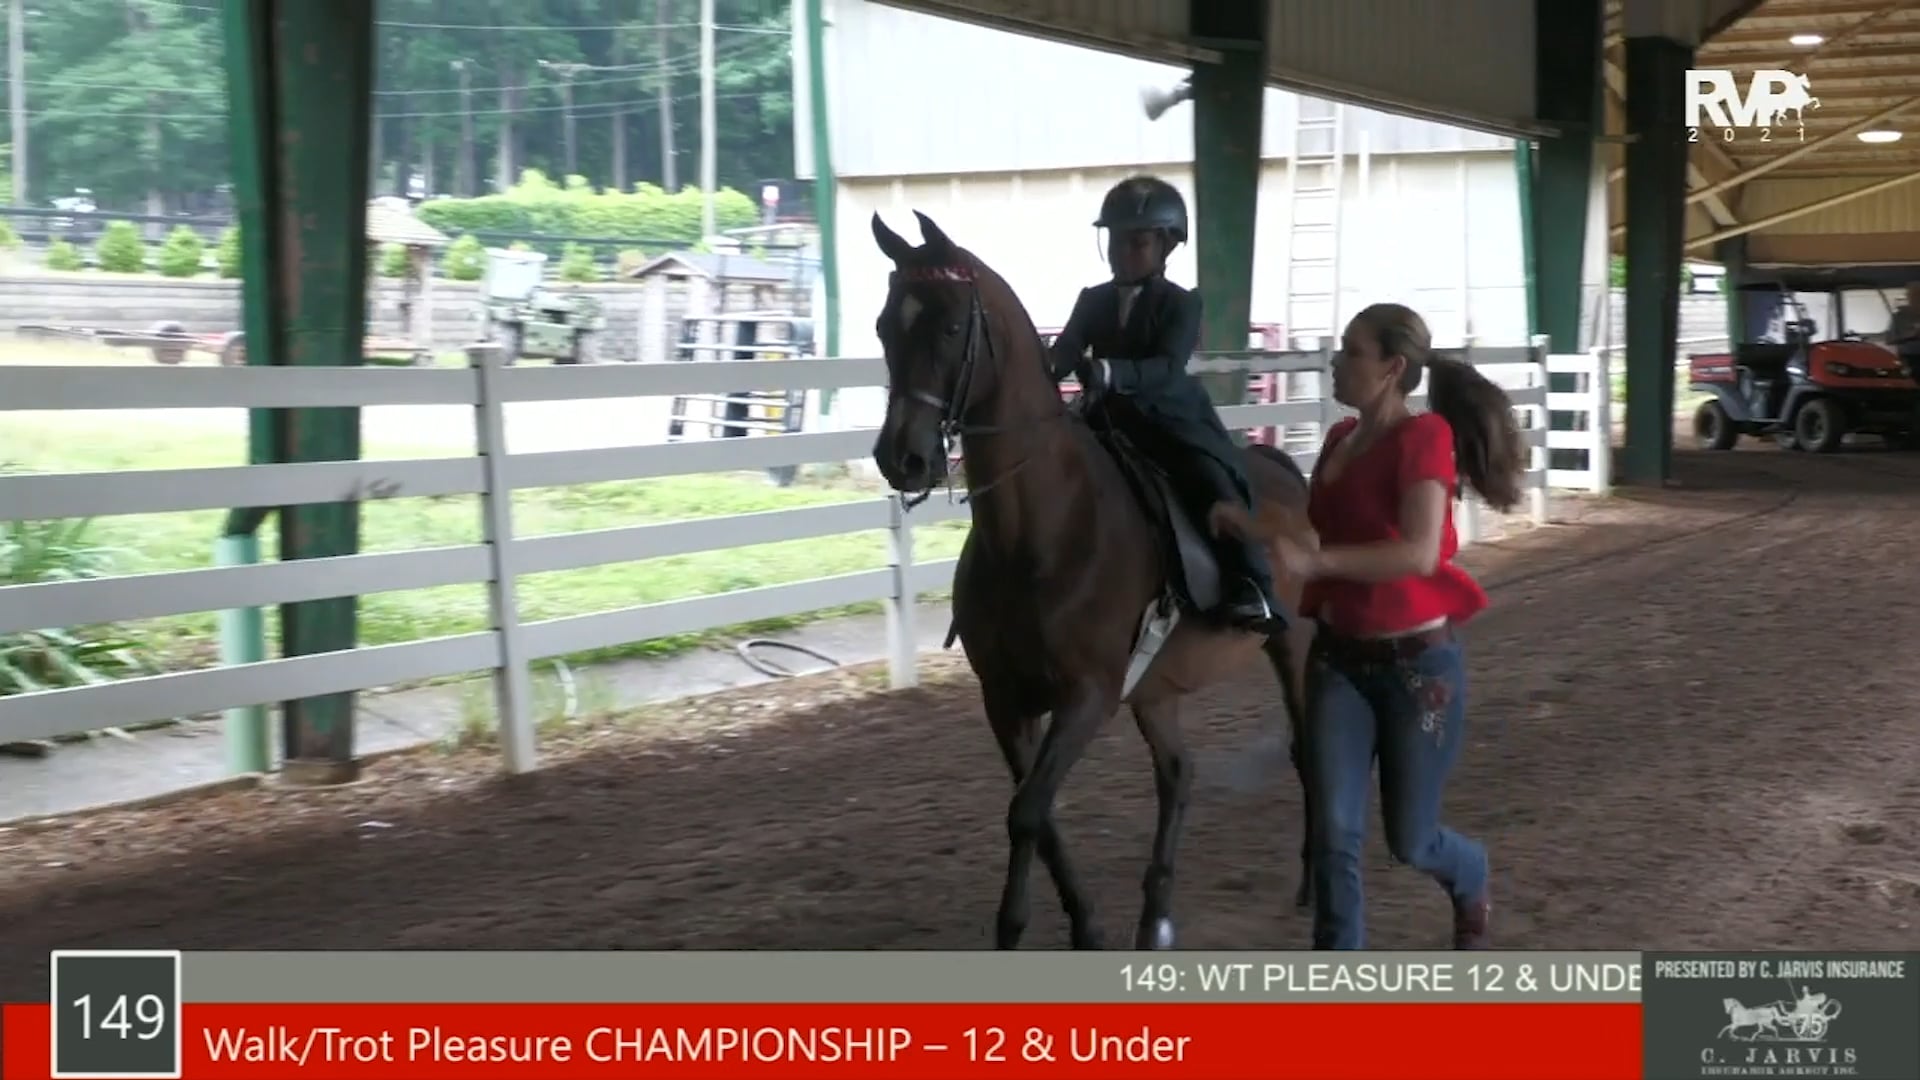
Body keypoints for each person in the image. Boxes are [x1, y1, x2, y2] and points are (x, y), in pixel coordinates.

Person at [1274, 302, 1527, 951]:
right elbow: (1317, 532)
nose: (1336, 360)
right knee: (1333, 837)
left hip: (1416, 671)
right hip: (1336, 661)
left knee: (1411, 841)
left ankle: (1468, 873)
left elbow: (1418, 553)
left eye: (1351, 351)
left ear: (1392, 368)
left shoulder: (1425, 439)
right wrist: (1246, 525)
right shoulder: (1337, 441)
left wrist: (1317, 562)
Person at [1046, 174, 1284, 628]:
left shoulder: (1182, 303)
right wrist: (1039, 365)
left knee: (1210, 477)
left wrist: (1113, 371)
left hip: (1168, 418)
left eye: (1137, 243)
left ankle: (1251, 584)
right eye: (1116, 241)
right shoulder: (1091, 300)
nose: (1122, 252)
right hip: (1105, 418)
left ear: (1166, 248)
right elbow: (1067, 349)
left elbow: (1168, 366)